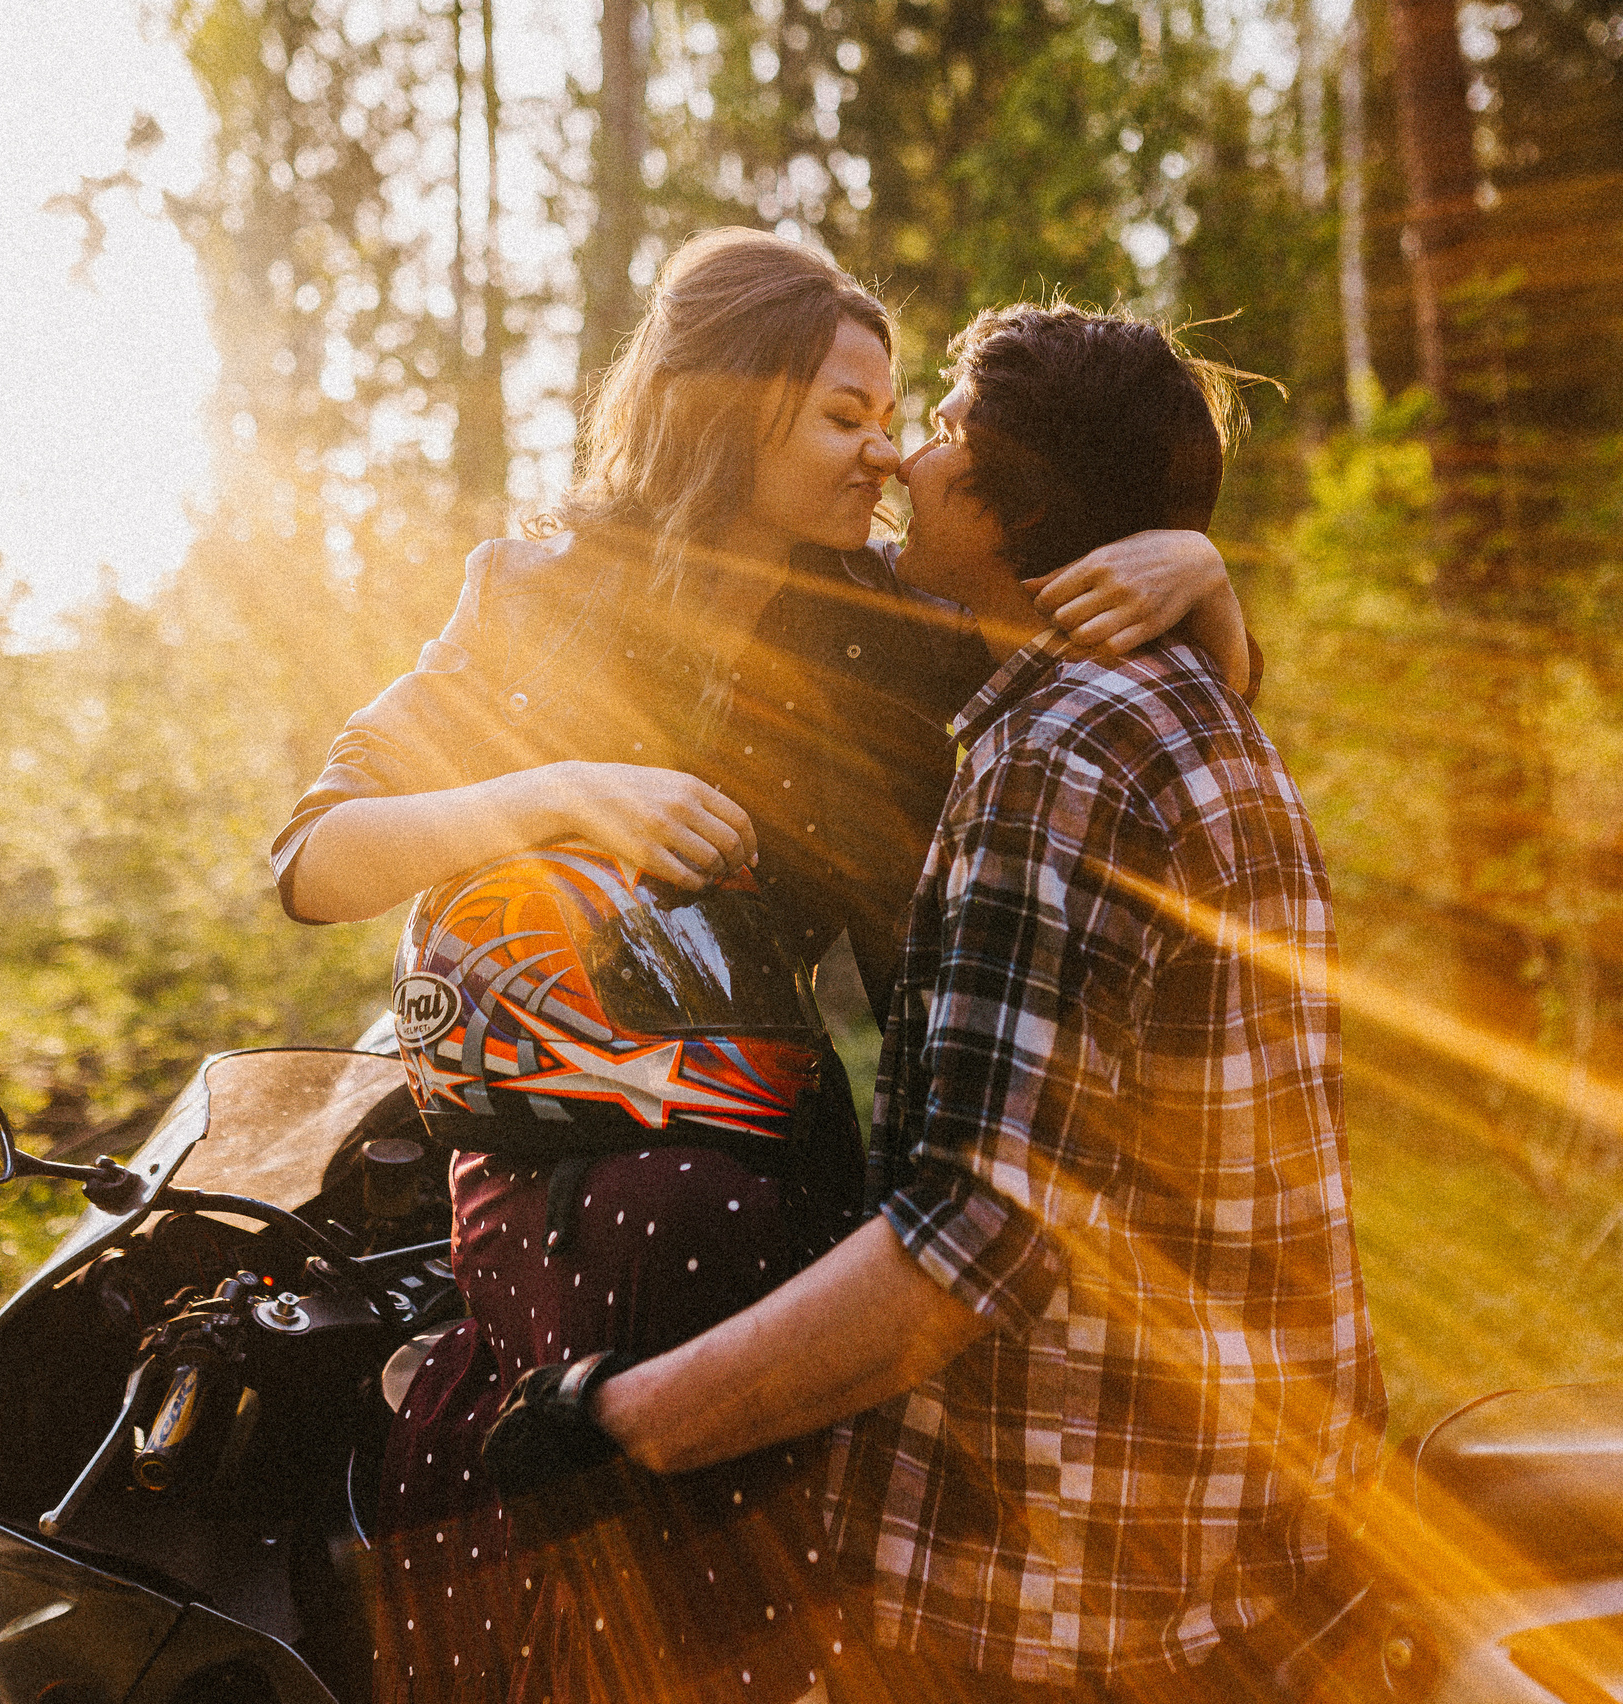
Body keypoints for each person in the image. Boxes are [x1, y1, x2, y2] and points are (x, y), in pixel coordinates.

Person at [270, 231, 1255, 1703]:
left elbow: (1132, 734)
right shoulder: (536, 592)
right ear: (729, 407)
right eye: (843, 416)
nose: (880, 456)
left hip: (771, 1123)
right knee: (665, 1238)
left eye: (891, 417)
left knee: (753, 1261)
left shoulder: (893, 628)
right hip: (547, 1133)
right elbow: (313, 861)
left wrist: (1208, 574)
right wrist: (556, 795)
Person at [517, 302, 1387, 1702]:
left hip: (1084, 1578)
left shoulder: (1064, 754)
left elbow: (981, 1231)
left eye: (938, 435)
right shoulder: (1180, 708)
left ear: (1009, 500)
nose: (905, 466)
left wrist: (625, 1421)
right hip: (1238, 1527)